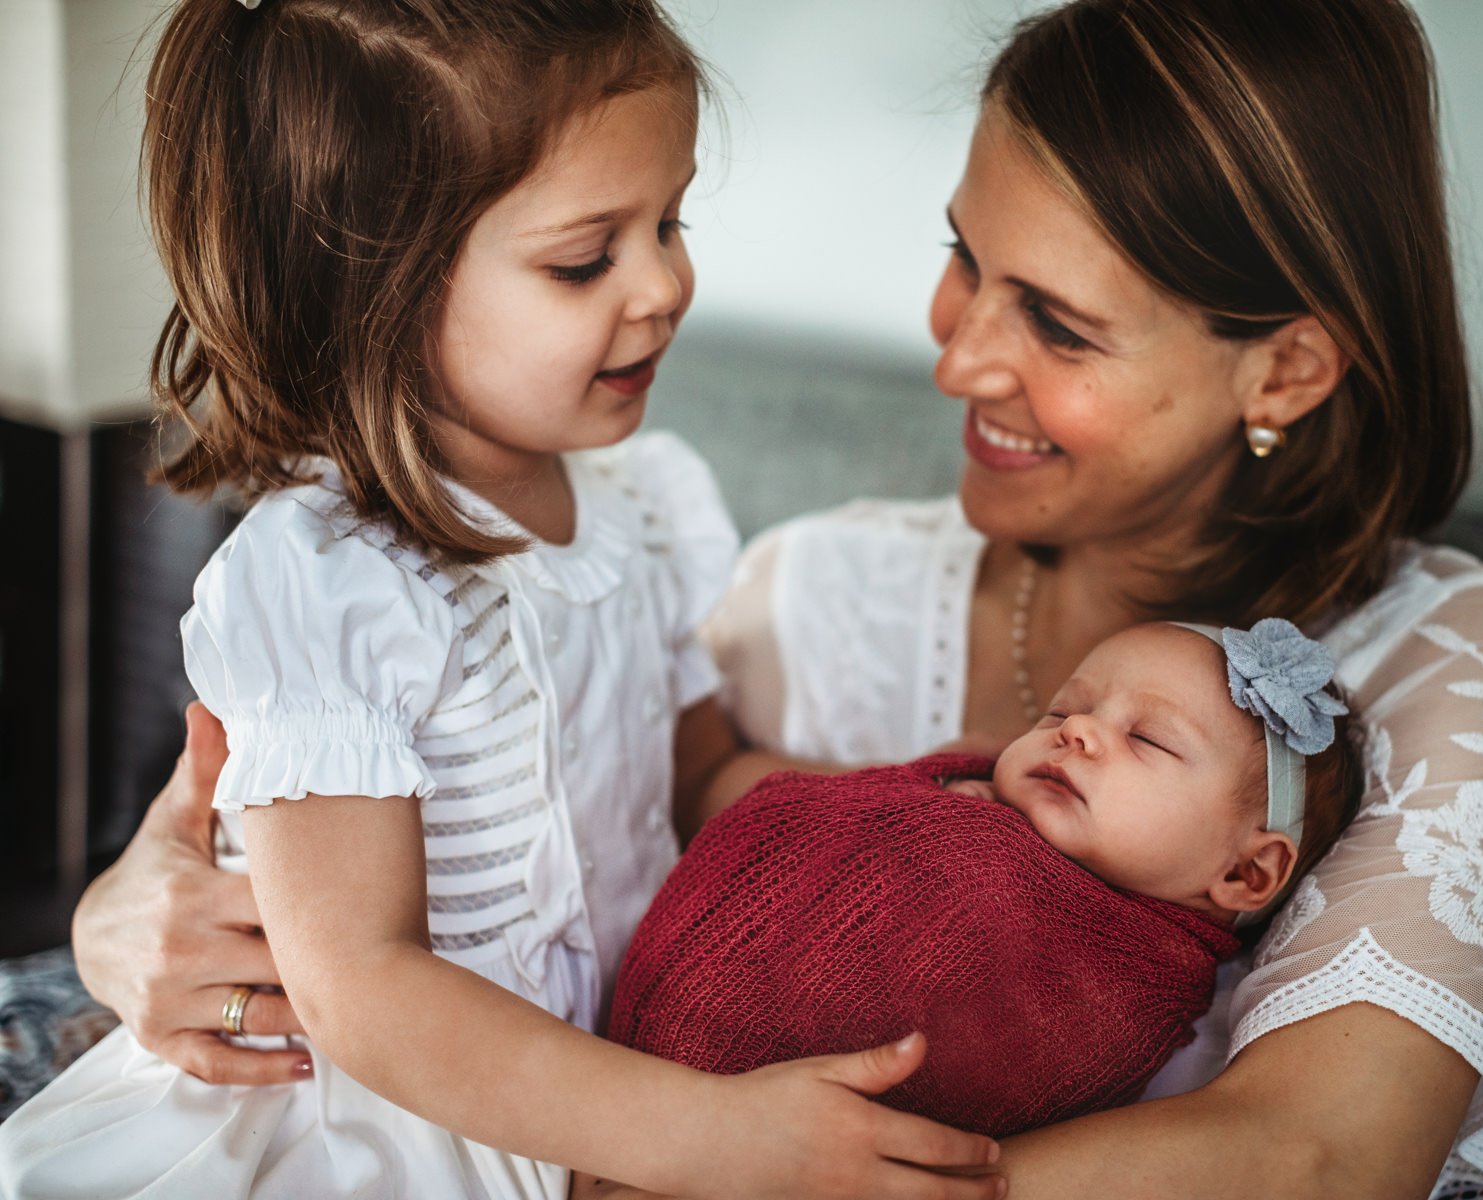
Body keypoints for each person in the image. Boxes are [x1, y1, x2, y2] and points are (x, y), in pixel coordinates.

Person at [66, 0, 1483, 1196]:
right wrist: (126, 911)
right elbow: (399, 885)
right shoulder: (810, 582)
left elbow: (1321, 1156)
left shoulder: (1426, 663)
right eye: (964, 262)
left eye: (1057, 320)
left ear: (1287, 368)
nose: (956, 358)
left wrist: (778, 1165)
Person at [0, 3, 1006, 1199]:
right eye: (586, 259)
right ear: (375, 292)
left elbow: (696, 780)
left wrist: (925, 818)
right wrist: (700, 1131)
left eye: (671, 221)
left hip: (602, 1088)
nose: (666, 285)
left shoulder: (645, 504)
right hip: (385, 1125)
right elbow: (361, 986)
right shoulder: (330, 582)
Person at [609, 620, 1358, 1142]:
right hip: (651, 1086)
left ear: (1245, 871)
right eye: (1064, 709)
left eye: (1149, 739)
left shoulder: (1121, 986)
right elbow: (792, 820)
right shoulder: (965, 795)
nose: (1077, 730)